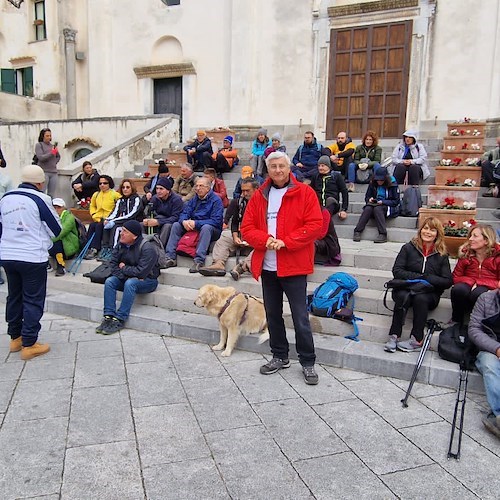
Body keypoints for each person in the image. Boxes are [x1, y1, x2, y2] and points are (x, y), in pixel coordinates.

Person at [241, 152, 323, 385]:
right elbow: (247, 228)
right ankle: (280, 355)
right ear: (268, 170)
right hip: (268, 266)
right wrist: (265, 239)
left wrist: (287, 241)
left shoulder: (305, 192)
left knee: (300, 317)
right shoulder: (259, 195)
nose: (278, 170)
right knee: (273, 315)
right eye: (273, 166)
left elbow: (315, 225)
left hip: (294, 265)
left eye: (282, 166)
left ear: (289, 168)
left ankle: (307, 362)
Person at [0, 164, 61, 360]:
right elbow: (56, 229)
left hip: (8, 255)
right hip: (32, 256)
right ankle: (29, 343)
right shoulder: (40, 198)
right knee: (33, 299)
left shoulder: (6, 197)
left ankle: (15, 337)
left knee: (14, 296)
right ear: (41, 183)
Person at [384, 217, 453, 353]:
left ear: (438, 234)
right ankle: (394, 335)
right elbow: (397, 271)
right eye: (425, 228)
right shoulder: (408, 248)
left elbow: (447, 281)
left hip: (429, 294)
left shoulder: (441, 255)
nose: (428, 232)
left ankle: (417, 339)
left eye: (432, 230)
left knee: (420, 298)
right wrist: (420, 278)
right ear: (420, 230)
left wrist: (428, 279)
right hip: (406, 288)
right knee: (404, 296)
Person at [96, 220, 160, 335]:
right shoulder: (120, 245)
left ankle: (120, 319)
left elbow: (141, 272)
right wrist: (124, 274)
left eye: (125, 231)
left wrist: (124, 268)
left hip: (148, 281)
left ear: (134, 235)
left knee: (130, 283)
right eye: (122, 231)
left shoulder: (148, 248)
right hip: (128, 278)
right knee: (110, 281)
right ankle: (108, 316)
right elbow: (113, 264)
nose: (121, 233)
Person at [199, 178, 259, 280]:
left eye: (247, 191)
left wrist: (253, 240)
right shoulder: (239, 202)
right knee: (224, 238)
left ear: (256, 189)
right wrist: (235, 236)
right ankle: (218, 264)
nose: (244, 193)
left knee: (264, 248)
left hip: (257, 238)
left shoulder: (265, 203)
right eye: (242, 190)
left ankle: (241, 267)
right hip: (243, 235)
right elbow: (235, 222)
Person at [164, 176, 223, 273]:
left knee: (206, 227)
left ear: (208, 188)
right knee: (176, 225)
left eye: (201, 186)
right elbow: (184, 213)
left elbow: (216, 221)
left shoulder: (216, 200)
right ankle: (170, 257)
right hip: (194, 226)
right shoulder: (194, 199)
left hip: (211, 229)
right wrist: (184, 221)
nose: (198, 188)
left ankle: (199, 261)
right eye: (196, 186)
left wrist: (196, 223)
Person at [451, 224, 499, 325]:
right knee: (459, 289)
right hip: (468, 289)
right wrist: (472, 282)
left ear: (486, 240)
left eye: (475, 236)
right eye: (470, 236)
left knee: (479, 292)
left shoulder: (497, 257)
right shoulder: (466, 254)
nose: (470, 239)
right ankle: (456, 321)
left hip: (489, 291)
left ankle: (479, 324)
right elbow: (455, 277)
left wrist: (479, 282)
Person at [468, 288, 500, 439]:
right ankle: (499, 415)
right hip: (490, 349)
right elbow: (474, 329)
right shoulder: (485, 298)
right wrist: (496, 348)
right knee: (490, 366)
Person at [353, 167, 400, 244]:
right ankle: (357, 231)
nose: (379, 181)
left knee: (377, 209)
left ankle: (383, 234)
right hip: (375, 204)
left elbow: (396, 201)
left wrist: (383, 202)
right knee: (368, 208)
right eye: (377, 180)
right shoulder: (373, 183)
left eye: (381, 180)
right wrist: (370, 199)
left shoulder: (393, 185)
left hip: (387, 206)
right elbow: (367, 197)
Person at [99, 178, 143, 259]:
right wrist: (108, 220)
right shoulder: (120, 200)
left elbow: (132, 215)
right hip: (122, 221)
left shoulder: (136, 199)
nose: (125, 189)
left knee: (116, 228)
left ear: (132, 188)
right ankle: (106, 248)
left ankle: (114, 251)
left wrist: (114, 221)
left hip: (134, 222)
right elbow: (114, 213)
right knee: (106, 225)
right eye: (123, 187)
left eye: (127, 187)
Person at [84, 175, 121, 259]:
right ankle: (88, 247)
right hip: (97, 217)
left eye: (105, 183)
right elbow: (92, 206)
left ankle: (95, 249)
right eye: (100, 183)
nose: (102, 185)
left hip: (109, 218)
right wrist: (93, 214)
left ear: (109, 184)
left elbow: (120, 204)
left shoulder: (115, 194)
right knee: (92, 226)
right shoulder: (96, 194)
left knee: (98, 226)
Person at [142, 177, 183, 247]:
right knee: (141, 224)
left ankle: (159, 247)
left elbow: (175, 218)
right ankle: (143, 245)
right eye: (157, 188)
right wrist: (147, 219)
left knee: (167, 226)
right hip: (157, 219)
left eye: (161, 189)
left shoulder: (176, 200)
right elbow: (149, 212)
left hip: (169, 222)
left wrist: (158, 222)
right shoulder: (155, 198)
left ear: (168, 190)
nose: (158, 191)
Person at [309, 155, 348, 219]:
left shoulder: (336, 176)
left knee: (329, 203)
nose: (320, 168)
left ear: (328, 166)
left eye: (322, 166)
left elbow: (344, 192)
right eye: (319, 166)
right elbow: (310, 191)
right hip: (319, 204)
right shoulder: (315, 176)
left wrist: (344, 209)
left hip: (332, 203)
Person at [49, 198, 79, 276]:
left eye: (59, 207)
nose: (56, 209)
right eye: (54, 207)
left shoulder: (69, 217)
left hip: (69, 248)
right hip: (55, 247)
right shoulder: (50, 217)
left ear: (64, 208)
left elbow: (62, 231)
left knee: (56, 241)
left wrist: (49, 240)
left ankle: (60, 267)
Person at [315, 198, 341, 266]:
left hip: (328, 242)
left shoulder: (324, 212)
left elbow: (321, 235)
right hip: (314, 238)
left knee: (311, 243)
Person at [35, 128, 60, 198]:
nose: (49, 137)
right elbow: (41, 157)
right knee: (42, 191)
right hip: (44, 172)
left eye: (50, 136)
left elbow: (58, 156)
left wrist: (54, 162)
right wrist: (51, 153)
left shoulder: (52, 146)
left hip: (53, 172)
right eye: (47, 136)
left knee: (51, 194)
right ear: (43, 136)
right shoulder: (39, 145)